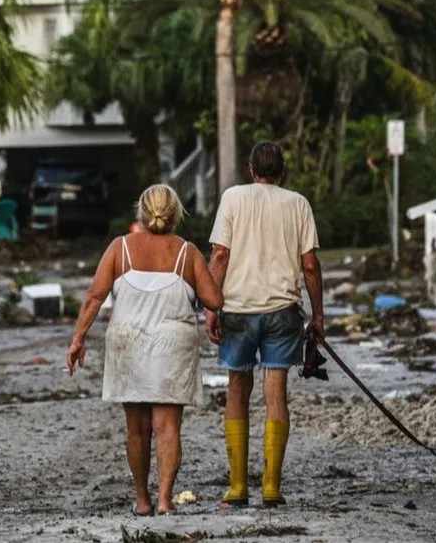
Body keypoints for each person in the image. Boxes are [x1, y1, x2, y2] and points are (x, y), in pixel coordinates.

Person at [66, 184, 223, 516]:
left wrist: (78, 338)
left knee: (136, 428)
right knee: (168, 427)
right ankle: (166, 500)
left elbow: (95, 296)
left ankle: (142, 500)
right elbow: (214, 301)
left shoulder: (119, 248)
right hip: (172, 344)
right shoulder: (187, 252)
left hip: (129, 342)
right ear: (176, 213)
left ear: (141, 210)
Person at [206, 141, 324, 508]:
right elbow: (309, 265)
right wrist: (318, 315)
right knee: (276, 394)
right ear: (283, 171)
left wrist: (211, 306)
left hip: (238, 310)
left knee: (237, 390)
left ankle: (237, 488)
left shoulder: (233, 198)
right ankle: (271, 487)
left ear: (250, 168)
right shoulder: (298, 204)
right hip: (282, 311)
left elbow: (220, 255)